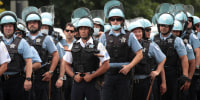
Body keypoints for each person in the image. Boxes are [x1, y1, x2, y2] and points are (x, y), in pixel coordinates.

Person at [100, 6, 143, 100]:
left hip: (124, 75)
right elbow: (99, 55)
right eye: (112, 19)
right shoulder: (104, 36)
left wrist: (129, 66)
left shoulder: (129, 35)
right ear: (109, 21)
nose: (115, 21)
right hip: (108, 75)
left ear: (122, 21)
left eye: (118, 19)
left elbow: (140, 54)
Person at [62, 16, 110, 100]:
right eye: (81, 29)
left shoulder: (98, 45)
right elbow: (66, 64)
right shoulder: (73, 45)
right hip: (77, 81)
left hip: (92, 82)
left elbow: (106, 65)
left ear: (90, 30)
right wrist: (74, 76)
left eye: (85, 28)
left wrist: (92, 76)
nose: (83, 31)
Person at [23, 8, 59, 100]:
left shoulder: (46, 38)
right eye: (30, 22)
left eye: (34, 22)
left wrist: (50, 72)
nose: (32, 24)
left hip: (42, 75)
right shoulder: (22, 38)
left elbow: (56, 55)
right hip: (25, 75)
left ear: (39, 24)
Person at [153, 13, 189, 100]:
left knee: (171, 96)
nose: (163, 28)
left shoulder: (177, 40)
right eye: (161, 25)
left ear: (170, 27)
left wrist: (185, 75)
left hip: (171, 73)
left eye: (166, 26)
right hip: (157, 72)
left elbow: (184, 58)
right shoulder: (153, 38)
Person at [0, 11, 33, 100]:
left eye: (10, 26)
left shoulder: (22, 42)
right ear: (2, 28)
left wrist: (28, 79)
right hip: (1, 80)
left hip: (17, 81)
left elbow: (29, 61)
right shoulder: (0, 42)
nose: (8, 28)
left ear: (14, 27)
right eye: (5, 26)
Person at [40, 13, 65, 100]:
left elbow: (62, 61)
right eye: (42, 27)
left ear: (50, 29)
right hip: (40, 75)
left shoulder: (56, 42)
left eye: (46, 27)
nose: (44, 29)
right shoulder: (35, 41)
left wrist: (61, 78)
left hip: (53, 76)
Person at [172, 20, 196, 100]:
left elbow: (192, 63)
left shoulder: (186, 46)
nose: (175, 34)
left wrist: (188, 79)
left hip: (181, 78)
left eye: (177, 32)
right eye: (173, 31)